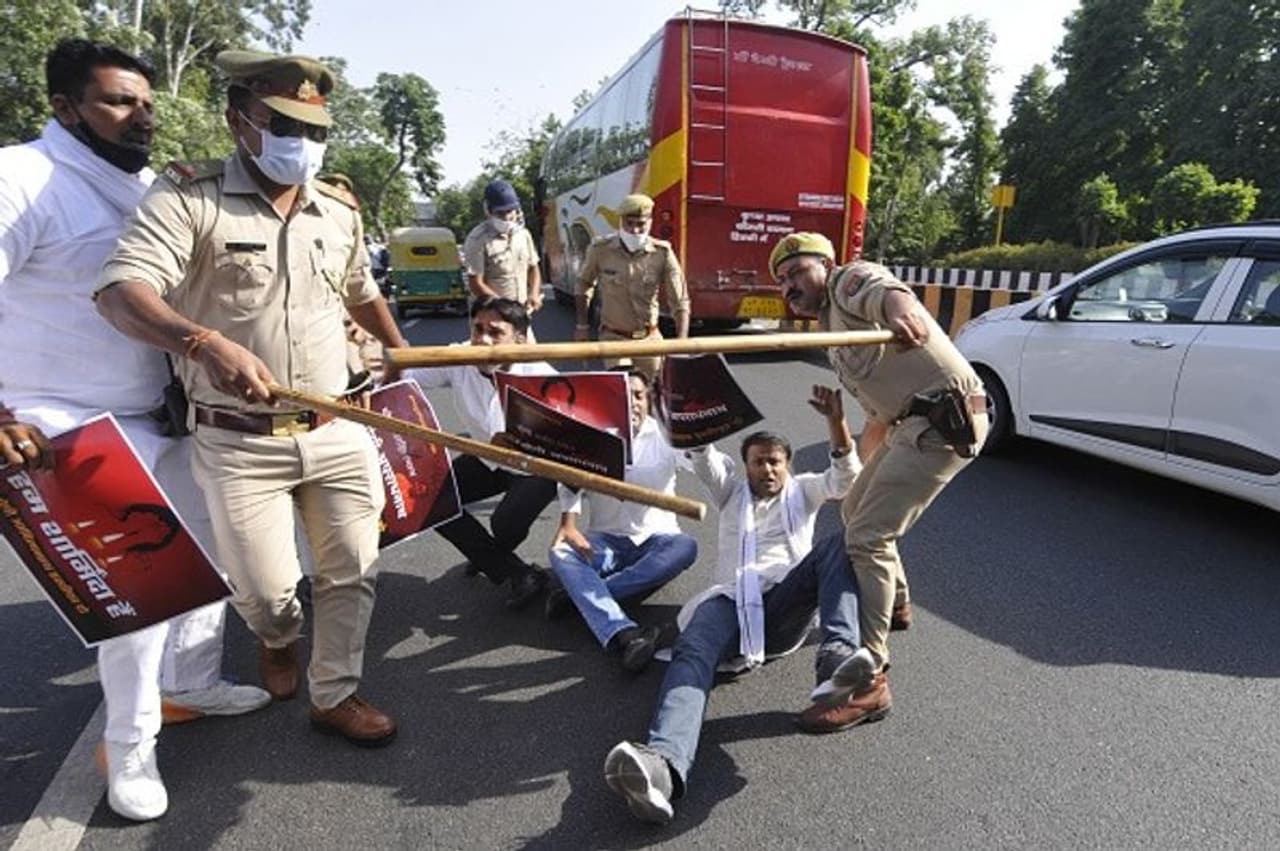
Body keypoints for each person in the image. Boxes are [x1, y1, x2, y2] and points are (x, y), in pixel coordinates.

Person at [95, 49, 410, 750]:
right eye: (284, 124)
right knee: (268, 595)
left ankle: (335, 693)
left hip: (337, 423)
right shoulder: (188, 197)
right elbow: (122, 292)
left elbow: (360, 288)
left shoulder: (338, 208)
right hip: (237, 439)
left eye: (315, 129)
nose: (304, 144)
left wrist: (399, 350)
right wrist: (203, 342)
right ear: (239, 120)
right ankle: (277, 637)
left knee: (352, 570)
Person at [0, 39, 270, 821]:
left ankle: (193, 682)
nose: (141, 115)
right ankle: (130, 748)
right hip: (66, 420)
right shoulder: (23, 176)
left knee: (213, 553)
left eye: (146, 102)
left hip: (163, 412)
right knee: (142, 595)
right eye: (119, 101)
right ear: (64, 107)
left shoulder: (148, 186)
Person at [603, 385, 866, 824]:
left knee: (838, 544)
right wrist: (686, 407)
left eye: (774, 461)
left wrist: (837, 423)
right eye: (758, 461)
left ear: (788, 466)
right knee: (691, 653)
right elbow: (703, 457)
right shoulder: (730, 491)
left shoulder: (802, 492)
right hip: (726, 602)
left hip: (782, 605)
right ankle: (663, 768)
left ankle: (836, 659)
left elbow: (845, 481)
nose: (766, 469)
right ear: (744, 467)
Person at [769, 232, 988, 732]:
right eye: (782, 280)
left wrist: (898, 307)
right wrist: (866, 469)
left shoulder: (847, 282)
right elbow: (877, 418)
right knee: (852, 512)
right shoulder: (831, 329)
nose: (790, 285)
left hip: (941, 419)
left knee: (868, 537)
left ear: (825, 266)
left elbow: (883, 288)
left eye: (798, 271)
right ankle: (897, 602)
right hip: (908, 423)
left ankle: (871, 682)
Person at [398, 297, 555, 609]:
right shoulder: (460, 358)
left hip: (535, 469)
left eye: (495, 332)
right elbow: (406, 376)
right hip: (486, 458)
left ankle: (490, 555)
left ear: (520, 340)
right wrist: (382, 357)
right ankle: (513, 571)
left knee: (504, 525)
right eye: (477, 329)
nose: (482, 340)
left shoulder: (543, 375)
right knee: (430, 502)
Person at [546, 369, 698, 672]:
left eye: (638, 396)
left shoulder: (668, 436)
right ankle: (624, 633)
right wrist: (568, 524)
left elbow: (708, 469)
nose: (632, 404)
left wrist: (704, 442)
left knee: (687, 547)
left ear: (649, 399)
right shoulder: (591, 435)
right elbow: (569, 481)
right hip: (605, 541)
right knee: (560, 551)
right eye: (622, 398)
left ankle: (583, 595)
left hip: (658, 540)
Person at [575, 193, 690, 379]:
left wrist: (682, 342)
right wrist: (582, 325)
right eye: (629, 223)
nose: (635, 230)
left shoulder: (662, 253)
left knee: (654, 391)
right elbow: (583, 283)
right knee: (624, 386)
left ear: (650, 222)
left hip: (649, 338)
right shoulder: (600, 250)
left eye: (641, 224)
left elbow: (680, 300)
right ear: (621, 222)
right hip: (614, 338)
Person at [462, 179, 542, 318]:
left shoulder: (523, 235)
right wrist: (504, 309)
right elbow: (476, 284)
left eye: (510, 211)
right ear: (488, 211)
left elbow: (533, 268)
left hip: (520, 314)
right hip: (492, 318)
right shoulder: (477, 239)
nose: (506, 217)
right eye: (500, 213)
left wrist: (534, 294)